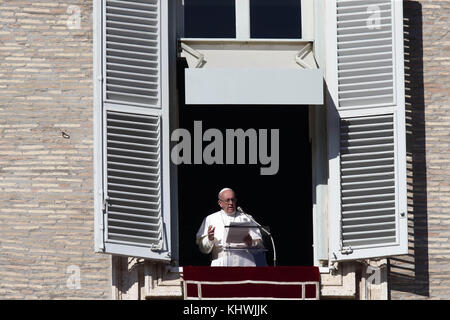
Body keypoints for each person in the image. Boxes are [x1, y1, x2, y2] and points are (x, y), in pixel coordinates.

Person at [195, 188, 265, 266]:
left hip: (245, 263)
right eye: (227, 200)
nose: (231, 203)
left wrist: (250, 242)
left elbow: (260, 248)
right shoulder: (210, 219)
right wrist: (209, 239)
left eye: (233, 200)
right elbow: (203, 249)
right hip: (221, 264)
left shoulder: (247, 217)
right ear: (220, 203)